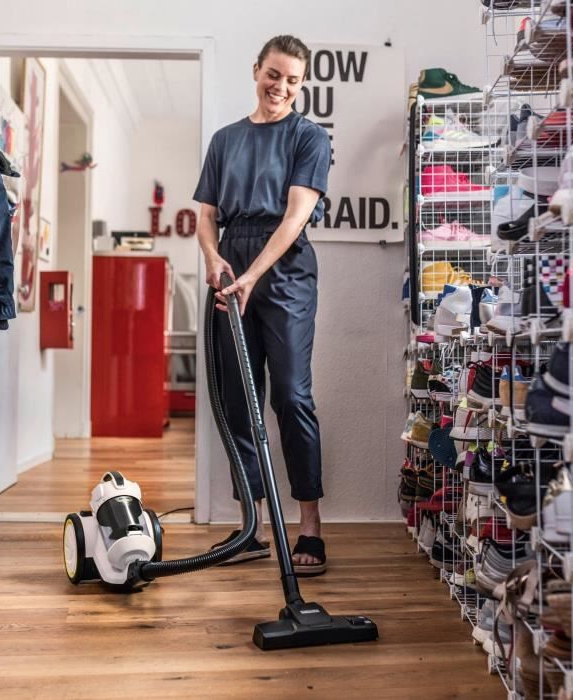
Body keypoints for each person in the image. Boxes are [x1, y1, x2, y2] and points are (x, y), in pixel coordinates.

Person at [193, 35, 332, 576]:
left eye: (293, 80)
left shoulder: (308, 137)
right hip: (232, 263)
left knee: (292, 397)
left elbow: (296, 216)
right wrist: (214, 257)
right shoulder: (225, 140)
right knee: (237, 398)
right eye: (274, 74)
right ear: (256, 71)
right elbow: (207, 214)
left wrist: (254, 274)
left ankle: (310, 525)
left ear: (302, 84)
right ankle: (252, 525)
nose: (281, 87)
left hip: (286, 269)